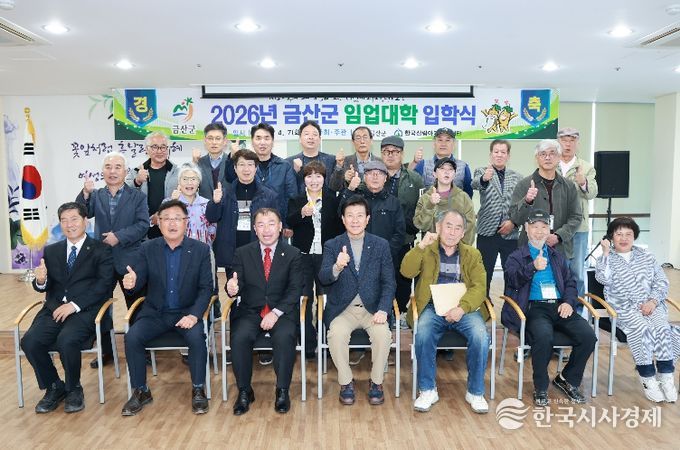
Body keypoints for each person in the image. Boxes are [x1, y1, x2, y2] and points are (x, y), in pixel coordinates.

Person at [121, 200, 214, 416]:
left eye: (177, 218)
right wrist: (132, 283)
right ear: (159, 223)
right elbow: (138, 279)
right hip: (155, 313)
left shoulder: (200, 250)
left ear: (186, 222)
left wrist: (194, 315)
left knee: (197, 338)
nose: (172, 223)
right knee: (132, 337)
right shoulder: (147, 248)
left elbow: (206, 288)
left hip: (186, 313)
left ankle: (198, 389)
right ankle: (141, 391)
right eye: (166, 219)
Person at [20, 202, 114, 414]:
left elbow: (104, 285)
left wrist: (74, 305)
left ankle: (74, 388)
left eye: (74, 219)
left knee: (67, 340)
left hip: (85, 310)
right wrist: (41, 281)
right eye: (64, 220)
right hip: (54, 309)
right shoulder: (51, 250)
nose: (69, 225)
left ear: (85, 221)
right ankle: (54, 386)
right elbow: (44, 285)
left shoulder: (101, 249)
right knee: (30, 341)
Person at [503, 209, 597, 407]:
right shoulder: (517, 256)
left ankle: (567, 379)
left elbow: (570, 283)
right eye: (535, 227)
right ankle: (541, 386)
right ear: (526, 229)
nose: (539, 231)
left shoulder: (556, 255)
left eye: (544, 227)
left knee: (588, 336)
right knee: (544, 336)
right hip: (534, 308)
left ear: (549, 230)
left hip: (559, 306)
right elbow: (512, 280)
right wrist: (532, 267)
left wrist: (568, 302)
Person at [400, 210, 490, 414]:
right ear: (439, 227)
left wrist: (462, 308)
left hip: (464, 308)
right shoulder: (427, 250)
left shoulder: (472, 254)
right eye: (448, 226)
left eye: (458, 228)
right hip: (432, 306)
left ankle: (475, 392)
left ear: (463, 233)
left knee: (480, 336)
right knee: (423, 333)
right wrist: (420, 246)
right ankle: (427, 390)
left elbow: (479, 287)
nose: (452, 232)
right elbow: (406, 271)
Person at [318, 196, 395, 406]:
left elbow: (389, 282)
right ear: (343, 219)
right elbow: (323, 278)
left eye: (360, 215)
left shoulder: (381, 245)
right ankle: (346, 382)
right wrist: (337, 267)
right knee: (336, 335)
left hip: (373, 309)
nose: (355, 220)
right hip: (343, 309)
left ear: (367, 219)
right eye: (350, 216)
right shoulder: (332, 245)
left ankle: (376, 382)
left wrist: (383, 309)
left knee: (383, 335)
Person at [226, 208, 303, 415]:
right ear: (254, 228)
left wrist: (275, 312)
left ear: (280, 227)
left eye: (271, 224)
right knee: (239, 337)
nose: (266, 230)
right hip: (250, 311)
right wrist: (231, 288)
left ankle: (282, 390)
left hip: (282, 312)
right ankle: (244, 391)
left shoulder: (293, 254)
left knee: (285, 336)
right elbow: (235, 283)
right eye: (261, 224)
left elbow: (295, 289)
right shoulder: (243, 253)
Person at [76, 151, 149, 368]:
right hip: (102, 260)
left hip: (130, 259)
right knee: (101, 306)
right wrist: (85, 193)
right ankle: (106, 351)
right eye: (108, 167)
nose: (113, 171)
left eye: (118, 167)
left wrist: (119, 236)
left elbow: (143, 225)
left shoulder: (137, 196)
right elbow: (81, 213)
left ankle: (140, 349)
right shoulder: (96, 195)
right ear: (102, 171)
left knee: (136, 306)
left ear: (126, 172)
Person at [205, 148, 278, 365]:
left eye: (250, 165)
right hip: (234, 255)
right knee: (237, 298)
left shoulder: (268, 195)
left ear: (256, 168)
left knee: (263, 296)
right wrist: (215, 202)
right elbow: (211, 217)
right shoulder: (225, 192)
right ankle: (237, 345)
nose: (246, 169)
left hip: (260, 254)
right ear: (235, 169)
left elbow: (276, 225)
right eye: (241, 165)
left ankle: (265, 344)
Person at [595, 217, 680, 403]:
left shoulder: (647, 256)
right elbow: (603, 279)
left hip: (652, 305)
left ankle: (666, 376)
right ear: (611, 237)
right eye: (619, 234)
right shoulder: (605, 259)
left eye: (628, 234)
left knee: (665, 329)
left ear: (634, 236)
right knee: (643, 329)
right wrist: (606, 253)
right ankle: (647, 377)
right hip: (624, 309)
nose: (624, 238)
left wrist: (653, 301)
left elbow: (661, 281)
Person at [287, 161, 343, 358]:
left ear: (324, 178)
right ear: (304, 179)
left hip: (325, 255)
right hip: (302, 256)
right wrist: (301, 213)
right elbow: (288, 221)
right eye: (309, 176)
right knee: (303, 298)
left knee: (325, 299)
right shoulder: (296, 200)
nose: (314, 180)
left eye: (318, 176)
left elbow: (339, 228)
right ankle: (308, 344)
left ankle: (325, 342)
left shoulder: (331, 200)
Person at [509, 139, 582, 260]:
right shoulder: (524, 185)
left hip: (560, 249)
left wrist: (559, 236)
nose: (547, 157)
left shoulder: (568, 186)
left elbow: (576, 217)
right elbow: (515, 218)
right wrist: (527, 201)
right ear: (536, 158)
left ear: (559, 157)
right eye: (543, 154)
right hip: (530, 249)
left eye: (552, 153)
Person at [381, 135, 424, 317]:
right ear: (381, 154)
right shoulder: (373, 175)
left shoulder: (415, 179)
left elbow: (420, 207)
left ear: (402, 154)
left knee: (403, 276)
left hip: (404, 237)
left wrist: (413, 227)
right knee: (380, 277)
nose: (391, 155)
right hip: (379, 237)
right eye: (386, 152)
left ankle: (400, 311)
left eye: (395, 151)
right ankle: (383, 312)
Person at [472, 139, 523, 295]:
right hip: (487, 232)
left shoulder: (517, 177)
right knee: (484, 274)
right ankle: (484, 305)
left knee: (512, 274)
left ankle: (511, 307)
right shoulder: (482, 171)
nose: (499, 155)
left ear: (508, 155)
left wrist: (513, 222)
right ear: (491, 154)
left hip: (510, 233)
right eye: (496, 152)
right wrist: (484, 179)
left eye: (503, 152)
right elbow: (475, 184)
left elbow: (521, 205)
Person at [556, 127, 598, 297]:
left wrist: (583, 182)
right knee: (557, 270)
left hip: (579, 228)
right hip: (556, 227)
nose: (568, 144)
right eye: (564, 140)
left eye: (572, 140)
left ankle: (578, 308)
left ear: (577, 143)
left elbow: (592, 193)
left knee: (577, 272)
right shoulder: (551, 164)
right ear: (558, 142)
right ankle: (558, 307)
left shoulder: (586, 167)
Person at [339, 160, 405, 262]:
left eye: (379, 173)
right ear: (364, 178)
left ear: (385, 178)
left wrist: (385, 253)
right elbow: (340, 215)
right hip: (357, 257)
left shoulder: (394, 202)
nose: (375, 177)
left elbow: (399, 234)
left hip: (386, 258)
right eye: (370, 173)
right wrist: (350, 189)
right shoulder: (355, 198)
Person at [125, 131, 180, 239]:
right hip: (143, 232)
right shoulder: (136, 172)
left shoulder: (178, 172)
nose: (159, 151)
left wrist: (162, 214)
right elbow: (124, 195)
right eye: (155, 147)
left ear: (167, 149)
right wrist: (137, 181)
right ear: (147, 149)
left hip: (171, 230)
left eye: (163, 147)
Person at [250, 122, 298, 238]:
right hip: (251, 224)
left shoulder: (284, 166)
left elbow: (291, 197)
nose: (262, 142)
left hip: (277, 225)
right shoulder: (246, 166)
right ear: (252, 141)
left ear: (272, 141)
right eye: (258, 138)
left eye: (267, 138)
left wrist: (287, 224)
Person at [414, 157, 475, 245]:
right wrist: (430, 205)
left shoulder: (463, 198)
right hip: (431, 249)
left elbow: (470, 227)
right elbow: (421, 226)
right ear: (434, 174)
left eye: (450, 169)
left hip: (456, 250)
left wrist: (461, 248)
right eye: (442, 168)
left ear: (454, 175)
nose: (447, 172)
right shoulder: (425, 198)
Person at [410, 127, 473, 198]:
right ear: (434, 144)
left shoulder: (463, 167)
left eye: (447, 140)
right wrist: (414, 162)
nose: (443, 144)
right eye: (440, 140)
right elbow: (410, 185)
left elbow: (468, 195)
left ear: (454, 144)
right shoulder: (423, 164)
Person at [166, 163, 216, 246]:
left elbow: (213, 231)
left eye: (193, 179)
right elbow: (164, 226)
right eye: (185, 179)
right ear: (179, 182)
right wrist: (173, 203)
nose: (189, 183)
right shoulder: (168, 202)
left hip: (203, 251)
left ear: (199, 182)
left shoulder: (207, 204)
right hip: (177, 250)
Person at [286, 120, 336, 193]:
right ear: (300, 139)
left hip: (326, 200)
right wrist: (295, 172)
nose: (311, 137)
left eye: (314, 134)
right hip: (299, 200)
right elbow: (288, 189)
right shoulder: (288, 162)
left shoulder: (331, 160)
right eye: (306, 134)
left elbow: (335, 187)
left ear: (319, 139)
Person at [193, 122, 239, 199]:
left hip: (227, 206)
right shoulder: (199, 163)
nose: (214, 142)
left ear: (225, 141)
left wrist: (235, 159)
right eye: (210, 138)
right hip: (204, 206)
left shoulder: (232, 161)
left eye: (218, 138)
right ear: (204, 140)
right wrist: (194, 164)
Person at [328, 126, 381, 191]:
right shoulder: (344, 161)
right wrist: (341, 170)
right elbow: (334, 187)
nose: (362, 141)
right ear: (353, 142)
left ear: (371, 140)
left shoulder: (380, 163)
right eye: (358, 138)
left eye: (365, 137)